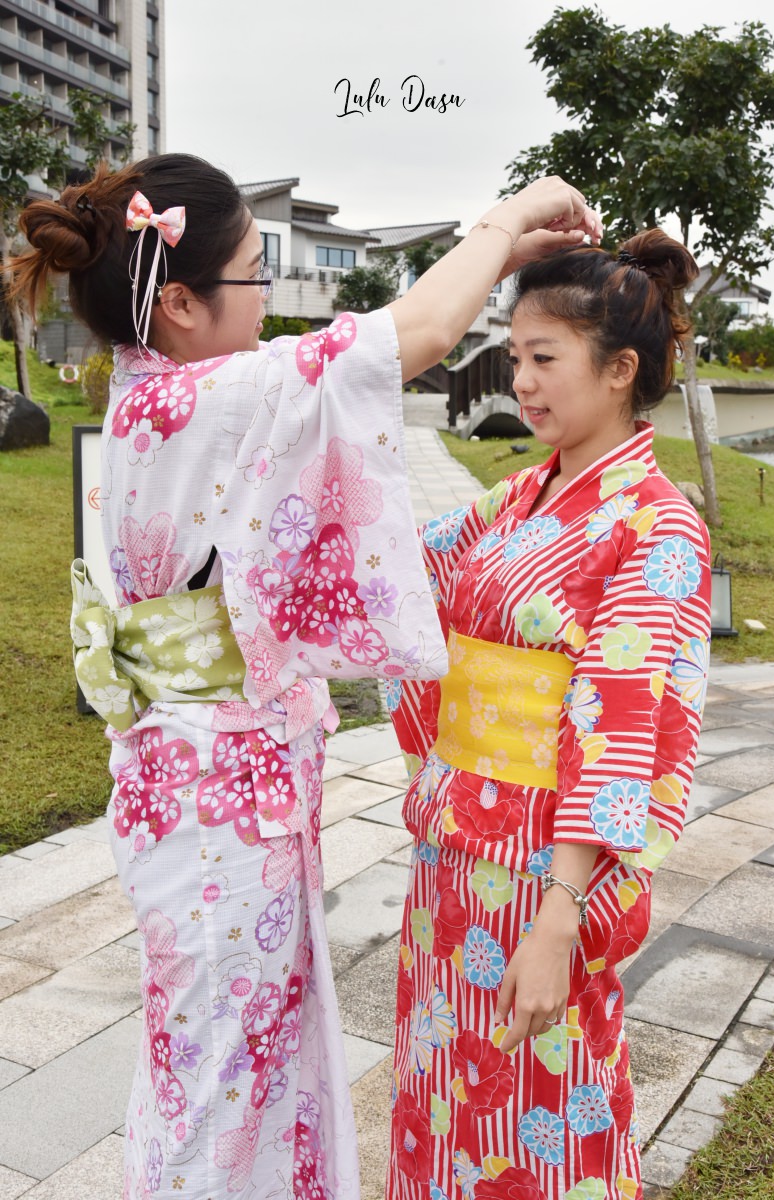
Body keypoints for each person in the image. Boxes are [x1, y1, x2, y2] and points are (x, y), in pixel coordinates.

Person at [9, 155, 600, 1200]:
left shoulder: (158, 401)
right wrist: (506, 218)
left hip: (195, 791)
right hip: (217, 814)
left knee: (220, 1066)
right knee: (229, 1084)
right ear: (180, 303)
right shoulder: (204, 400)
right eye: (253, 276)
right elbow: (405, 338)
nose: (269, 302)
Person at [386, 230, 712, 1200]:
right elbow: (402, 569)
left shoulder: (657, 526)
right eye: (513, 356)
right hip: (454, 857)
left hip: (541, 876)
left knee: (537, 1115)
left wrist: (561, 916)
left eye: (542, 359)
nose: (518, 381)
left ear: (618, 371)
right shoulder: (519, 496)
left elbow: (616, 723)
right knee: (440, 1095)